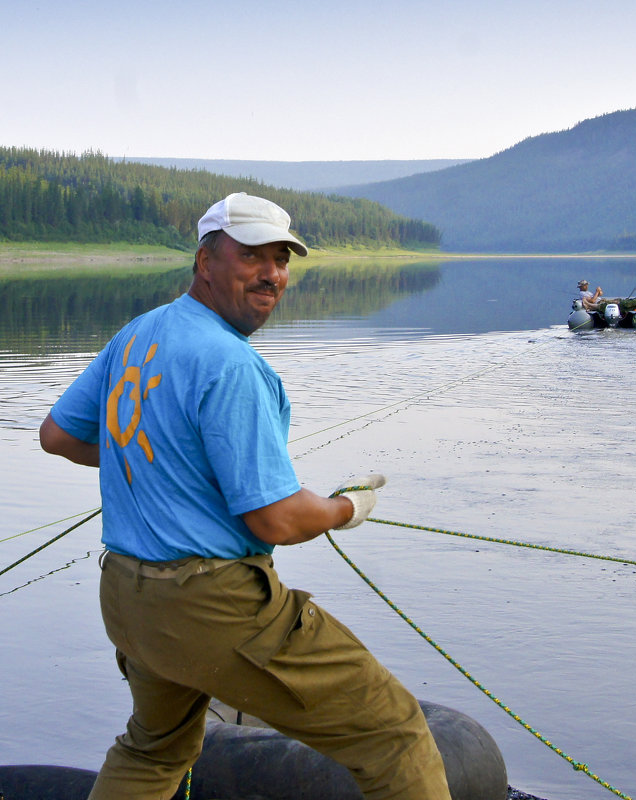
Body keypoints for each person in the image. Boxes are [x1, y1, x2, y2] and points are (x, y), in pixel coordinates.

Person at [39, 192, 452, 800]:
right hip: (214, 605)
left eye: (282, 258)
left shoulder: (140, 332)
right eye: (253, 255)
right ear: (206, 260)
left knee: (155, 749)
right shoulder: (232, 364)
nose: (273, 274)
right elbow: (276, 519)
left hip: (128, 596)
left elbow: (60, 435)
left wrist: (160, 457)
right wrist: (346, 507)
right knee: (395, 733)